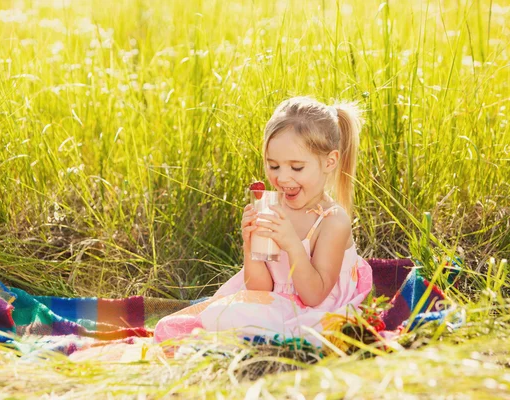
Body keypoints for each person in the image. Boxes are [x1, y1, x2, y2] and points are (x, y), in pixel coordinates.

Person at [153, 96, 373, 346]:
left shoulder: (333, 221)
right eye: (273, 165)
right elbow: (259, 288)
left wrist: (291, 243)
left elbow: (314, 295)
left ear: (329, 162)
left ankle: (267, 340)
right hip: (274, 304)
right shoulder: (274, 208)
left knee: (228, 321)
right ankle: (257, 336)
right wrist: (250, 246)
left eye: (297, 168)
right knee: (189, 323)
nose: (282, 177)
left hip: (317, 312)